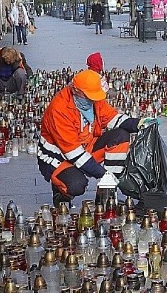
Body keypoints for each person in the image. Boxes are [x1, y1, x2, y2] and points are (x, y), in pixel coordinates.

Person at [37, 69, 152, 205]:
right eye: (89, 97)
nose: (92, 101)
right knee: (76, 185)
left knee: (121, 136)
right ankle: (61, 192)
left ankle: (106, 193)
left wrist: (139, 123)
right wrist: (103, 174)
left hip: (85, 146)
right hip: (58, 156)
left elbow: (112, 118)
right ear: (75, 91)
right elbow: (73, 153)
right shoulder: (59, 110)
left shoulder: (94, 99)